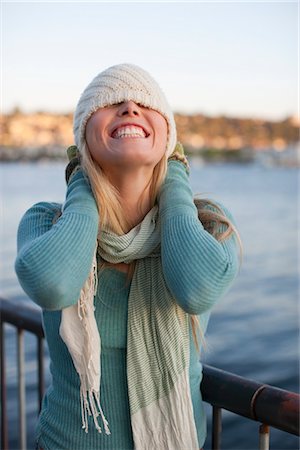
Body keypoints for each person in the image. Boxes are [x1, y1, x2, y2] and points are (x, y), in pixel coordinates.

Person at [15, 63, 241, 450]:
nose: (130, 107)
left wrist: (174, 178)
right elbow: (54, 284)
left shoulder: (208, 222)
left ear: (168, 137)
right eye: (111, 101)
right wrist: (83, 180)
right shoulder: (48, 221)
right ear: (84, 136)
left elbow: (196, 288)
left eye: (145, 103)